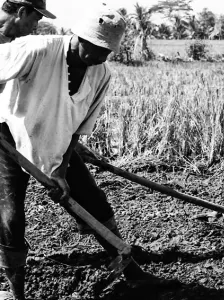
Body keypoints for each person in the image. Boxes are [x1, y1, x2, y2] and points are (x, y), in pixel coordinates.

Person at [0, 5, 178, 300]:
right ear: (79, 36)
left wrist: (60, 170)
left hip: (57, 143)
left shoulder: (101, 74)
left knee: (94, 200)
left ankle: (130, 269)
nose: (98, 57)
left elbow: (78, 128)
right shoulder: (37, 49)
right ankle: (16, 291)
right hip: (9, 139)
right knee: (10, 218)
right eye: (94, 49)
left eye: (106, 52)